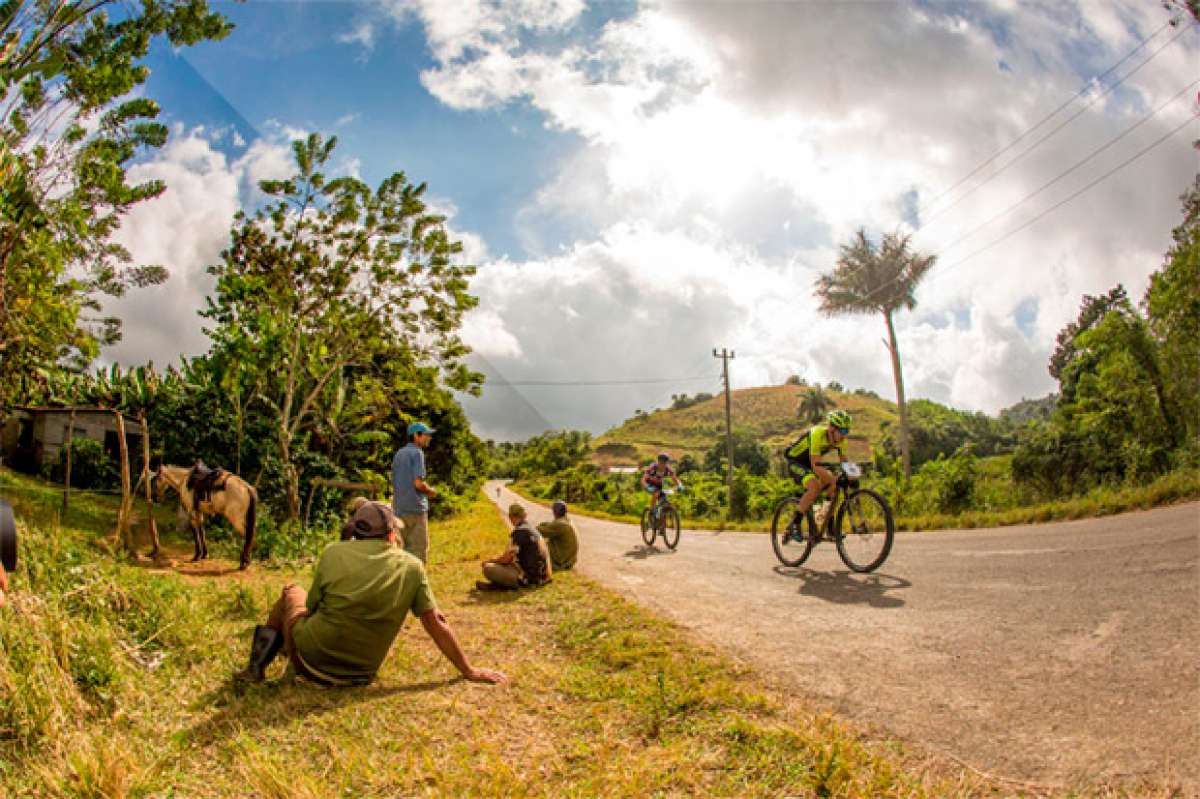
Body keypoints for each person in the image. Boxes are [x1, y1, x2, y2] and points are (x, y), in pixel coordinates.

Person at [235, 500, 505, 686]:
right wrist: (468, 670)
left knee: (291, 590)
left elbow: (313, 606)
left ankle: (255, 669)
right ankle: (277, 651)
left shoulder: (333, 552)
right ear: (391, 534)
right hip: (361, 673)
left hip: (310, 662)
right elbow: (436, 622)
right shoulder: (412, 566)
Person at [783, 409, 853, 537]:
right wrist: (834, 479)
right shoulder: (817, 433)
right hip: (796, 461)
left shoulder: (842, 441)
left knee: (834, 486)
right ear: (832, 428)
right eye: (842, 431)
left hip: (811, 462)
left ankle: (829, 526)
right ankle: (794, 523)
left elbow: (845, 462)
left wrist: (854, 475)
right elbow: (816, 467)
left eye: (847, 431)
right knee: (815, 486)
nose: (845, 435)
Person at [477, 503, 551, 590]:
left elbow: (507, 559)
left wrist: (491, 560)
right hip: (543, 577)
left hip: (529, 579)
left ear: (511, 517)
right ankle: (498, 585)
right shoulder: (533, 529)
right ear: (524, 516)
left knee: (488, 568)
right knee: (504, 566)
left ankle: (499, 586)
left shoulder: (519, 532)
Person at [392, 421, 437, 563]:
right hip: (416, 508)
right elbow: (418, 484)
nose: (429, 438)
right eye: (426, 435)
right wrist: (431, 491)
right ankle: (417, 582)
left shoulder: (399, 453)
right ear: (416, 436)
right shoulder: (417, 453)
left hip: (399, 509)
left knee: (402, 551)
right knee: (419, 550)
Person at [640, 452, 683, 526]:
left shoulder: (668, 469)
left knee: (665, 501)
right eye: (661, 462)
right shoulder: (652, 467)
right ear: (658, 461)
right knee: (656, 494)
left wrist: (680, 485)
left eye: (664, 462)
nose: (662, 464)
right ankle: (651, 515)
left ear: (667, 463)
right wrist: (647, 487)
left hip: (661, 484)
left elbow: (675, 479)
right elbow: (643, 480)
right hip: (649, 484)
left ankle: (662, 523)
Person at [537, 500, 578, 571]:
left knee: (539, 545)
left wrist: (539, 526)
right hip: (569, 559)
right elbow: (551, 525)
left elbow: (539, 531)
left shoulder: (560, 524)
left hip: (562, 561)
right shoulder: (567, 521)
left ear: (555, 512)